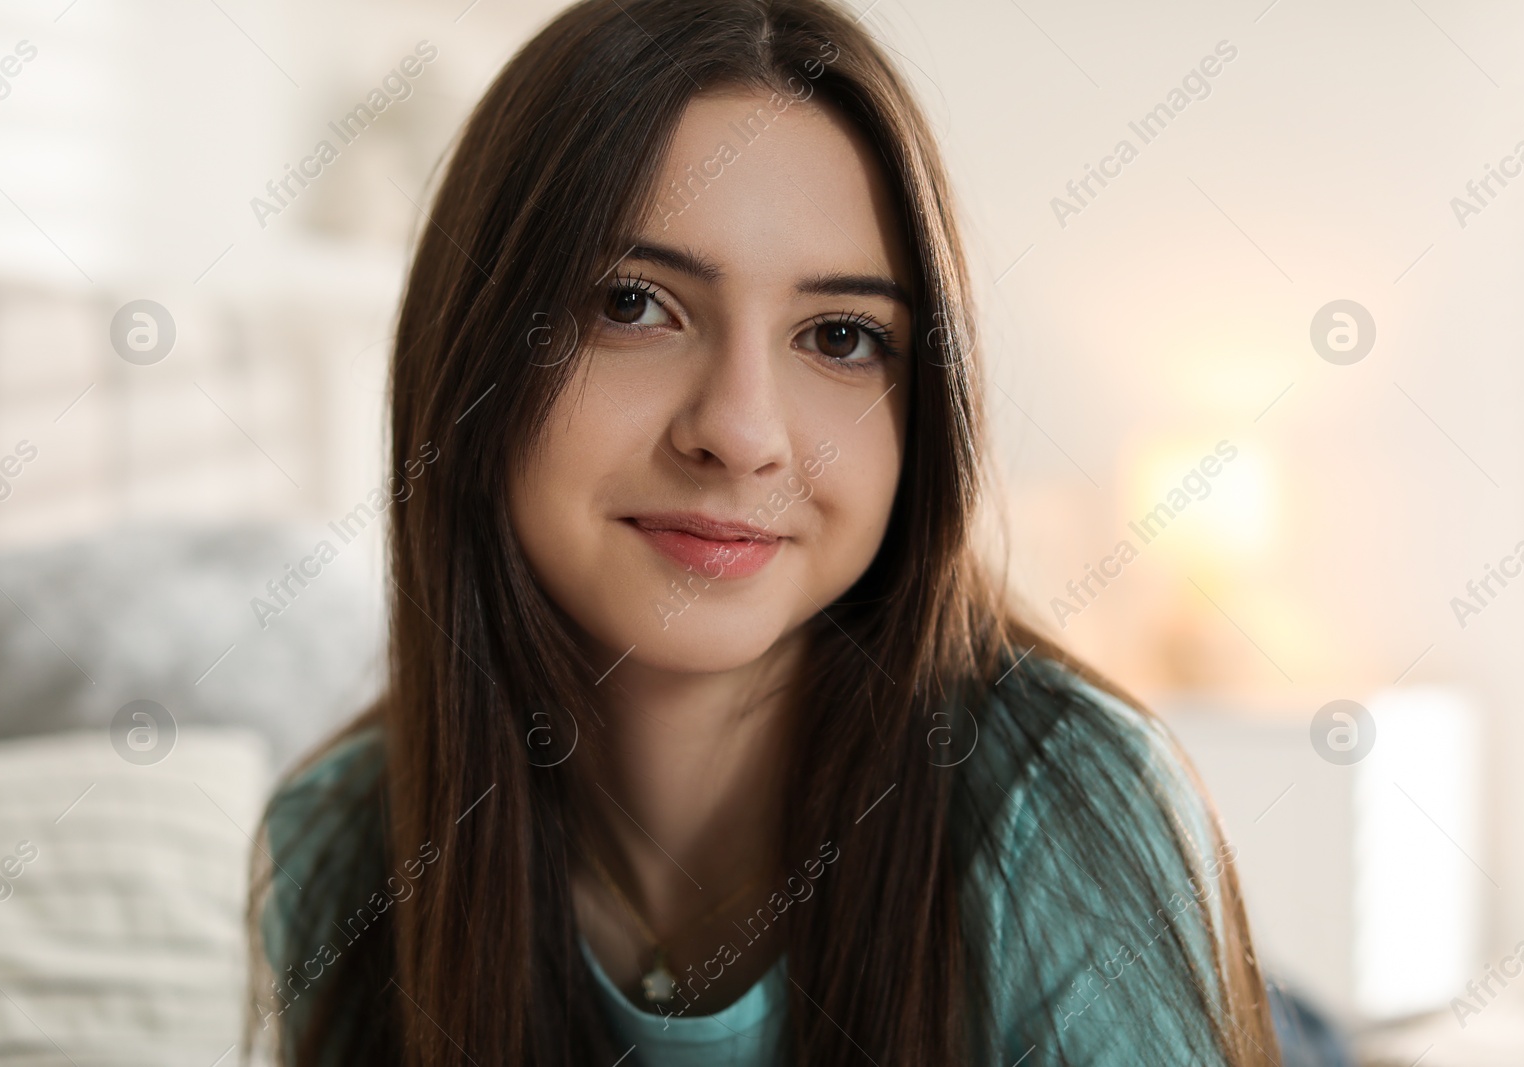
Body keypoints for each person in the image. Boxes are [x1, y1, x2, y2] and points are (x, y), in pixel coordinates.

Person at [247, 1, 1281, 1063]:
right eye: (632, 304)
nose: (741, 433)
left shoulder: (1067, 807)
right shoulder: (343, 847)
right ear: (475, 357)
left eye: (840, 335)